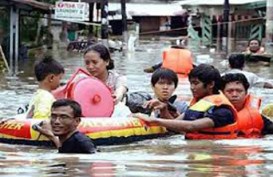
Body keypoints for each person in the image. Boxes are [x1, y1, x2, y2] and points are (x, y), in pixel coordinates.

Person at [134, 64, 238, 139]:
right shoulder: (199, 104)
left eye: (196, 83)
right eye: (191, 83)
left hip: (214, 162)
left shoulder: (223, 110)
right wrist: (164, 110)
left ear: (210, 84)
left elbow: (190, 126)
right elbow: (175, 126)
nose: (192, 88)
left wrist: (153, 120)